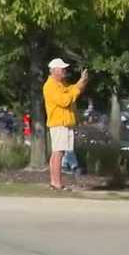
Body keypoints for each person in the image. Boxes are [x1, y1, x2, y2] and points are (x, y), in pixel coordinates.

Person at [43, 57, 89, 191]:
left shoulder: (61, 84)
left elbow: (73, 89)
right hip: (59, 123)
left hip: (64, 123)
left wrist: (82, 81)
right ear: (54, 70)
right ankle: (56, 183)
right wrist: (77, 88)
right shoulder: (50, 86)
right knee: (58, 153)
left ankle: (54, 182)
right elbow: (65, 101)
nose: (65, 71)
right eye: (62, 69)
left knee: (57, 153)